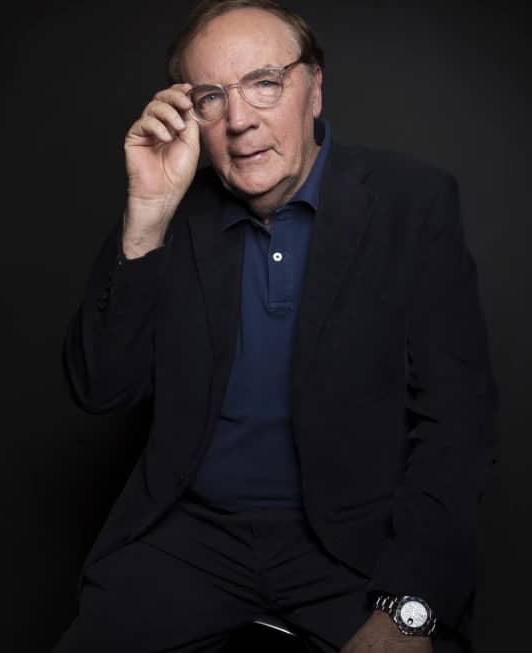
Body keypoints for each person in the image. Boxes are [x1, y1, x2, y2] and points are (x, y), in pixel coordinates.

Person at [53, 1, 497, 651]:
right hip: (189, 538)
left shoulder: (413, 204)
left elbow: (457, 423)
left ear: (314, 88)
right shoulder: (173, 213)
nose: (239, 121)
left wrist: (411, 605)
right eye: (211, 96)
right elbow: (100, 388)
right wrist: (145, 213)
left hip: (352, 548)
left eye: (264, 82)